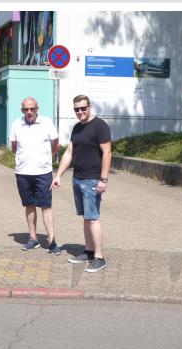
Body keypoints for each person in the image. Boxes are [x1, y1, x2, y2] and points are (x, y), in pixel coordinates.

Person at [51, 95, 111, 272]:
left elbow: (107, 153)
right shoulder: (77, 128)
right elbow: (69, 152)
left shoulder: (100, 126)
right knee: (86, 217)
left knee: (93, 218)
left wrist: (103, 179)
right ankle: (89, 251)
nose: (80, 112)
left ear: (89, 107)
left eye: (83, 108)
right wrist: (58, 175)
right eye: (77, 109)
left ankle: (100, 257)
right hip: (77, 178)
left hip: (93, 179)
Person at [9, 97, 62, 254]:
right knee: (29, 205)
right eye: (26, 109)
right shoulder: (16, 124)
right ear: (22, 110)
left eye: (32, 108)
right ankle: (33, 238)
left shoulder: (46, 122)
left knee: (46, 206)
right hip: (23, 173)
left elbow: (55, 143)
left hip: (43, 173)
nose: (29, 112)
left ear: (37, 108)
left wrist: (47, 158)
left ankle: (51, 241)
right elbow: (14, 146)